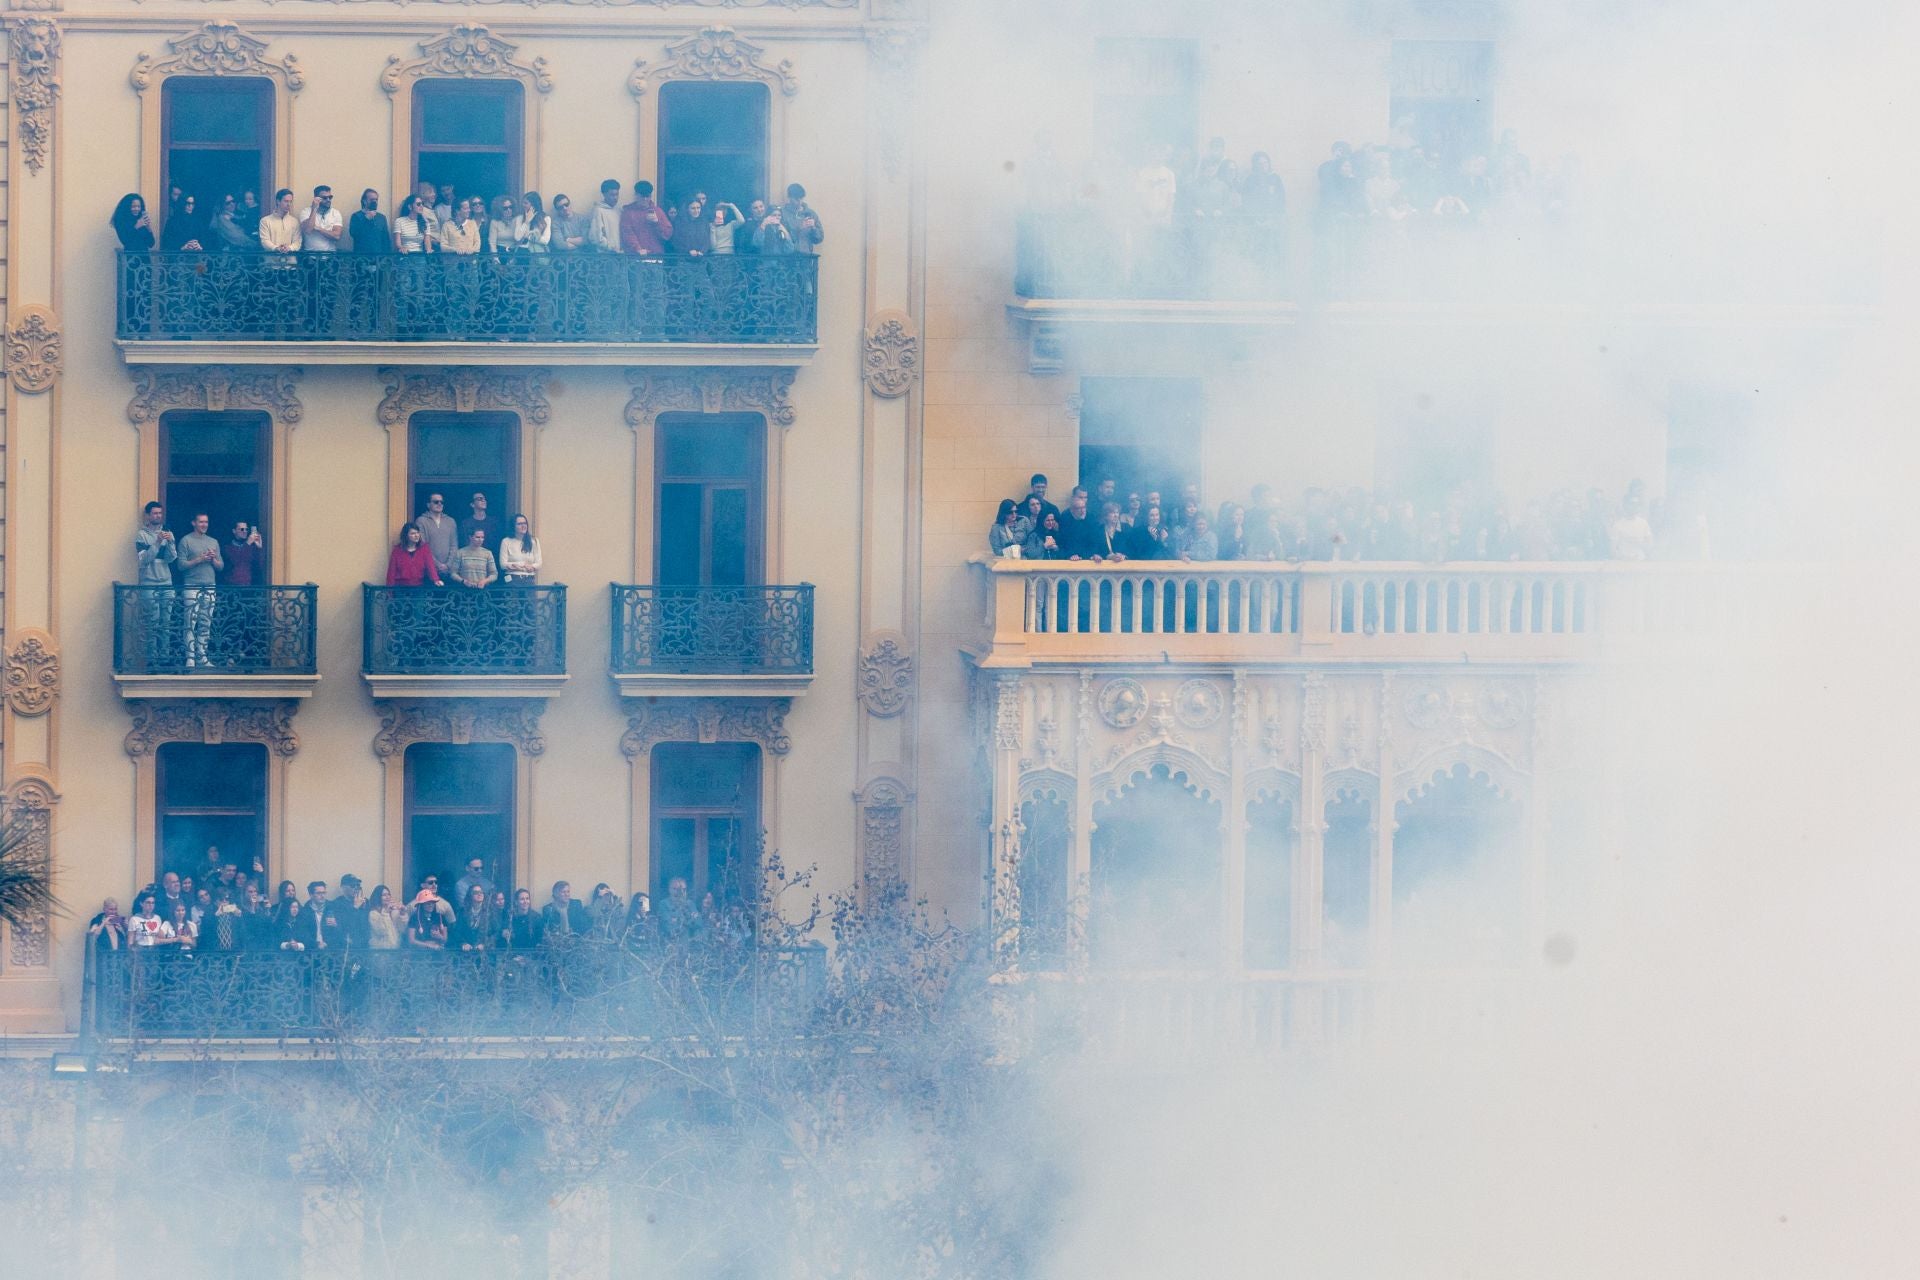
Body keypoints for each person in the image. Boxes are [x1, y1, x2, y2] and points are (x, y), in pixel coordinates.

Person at [177, 512, 223, 668]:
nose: (204, 524)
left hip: (210, 586)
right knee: (190, 622)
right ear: (193, 523)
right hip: (191, 586)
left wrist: (213, 559)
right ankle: (189, 657)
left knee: (206, 622)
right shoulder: (186, 540)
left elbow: (220, 567)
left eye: (206, 522)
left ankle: (202, 657)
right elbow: (181, 566)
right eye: (201, 522)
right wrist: (200, 560)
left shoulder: (214, 542)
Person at [621, 180, 673, 254]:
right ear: (636, 195)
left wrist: (657, 223)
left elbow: (668, 234)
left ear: (651, 195)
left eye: (647, 196)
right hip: (635, 257)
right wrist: (638, 249)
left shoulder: (658, 211)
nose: (645, 199)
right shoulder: (628, 212)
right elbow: (627, 233)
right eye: (642, 196)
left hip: (656, 256)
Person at [385, 521, 443, 587]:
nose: (416, 535)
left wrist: (436, 580)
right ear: (406, 535)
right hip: (401, 588)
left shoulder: (424, 548)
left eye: (418, 532)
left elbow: (430, 566)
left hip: (419, 587)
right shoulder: (397, 551)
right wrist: (389, 592)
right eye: (413, 533)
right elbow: (391, 572)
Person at [772, 183, 824, 254]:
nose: (799, 202)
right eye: (796, 199)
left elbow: (819, 239)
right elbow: (780, 238)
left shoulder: (811, 214)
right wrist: (799, 229)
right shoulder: (782, 214)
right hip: (787, 257)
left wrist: (814, 228)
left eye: (801, 198)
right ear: (789, 198)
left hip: (806, 257)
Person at [416, 492, 459, 574]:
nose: (439, 504)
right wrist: (437, 564)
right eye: (436, 502)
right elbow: (422, 545)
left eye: (441, 502)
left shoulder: (451, 521)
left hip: (449, 570)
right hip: (428, 569)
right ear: (428, 505)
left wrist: (448, 565)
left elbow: (454, 545)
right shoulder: (421, 521)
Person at [1057, 488, 1102, 560]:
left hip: (1089, 557)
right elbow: (1062, 541)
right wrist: (1070, 555)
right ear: (1073, 498)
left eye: (1085, 497)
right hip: (1070, 558)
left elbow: (1095, 539)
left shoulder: (1091, 517)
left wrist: (1092, 554)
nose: (1083, 500)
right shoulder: (1065, 516)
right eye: (1080, 497)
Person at [406, 877, 452, 948]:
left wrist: (439, 937)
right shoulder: (414, 918)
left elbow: (445, 940)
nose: (430, 905)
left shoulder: (440, 917)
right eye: (427, 903)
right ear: (421, 904)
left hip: (438, 953)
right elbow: (411, 940)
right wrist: (428, 945)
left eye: (432, 902)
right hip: (420, 954)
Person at [498, 514, 541, 584]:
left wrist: (532, 566)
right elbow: (503, 565)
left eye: (525, 523)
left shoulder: (534, 541)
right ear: (513, 526)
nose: (523, 526)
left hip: (529, 579)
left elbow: (539, 563)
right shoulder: (506, 541)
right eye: (519, 524)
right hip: (512, 579)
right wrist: (522, 564)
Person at [299, 185, 343, 253]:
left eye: (330, 197)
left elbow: (337, 236)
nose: (328, 200)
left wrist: (319, 229)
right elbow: (308, 230)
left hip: (330, 256)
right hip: (310, 256)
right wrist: (314, 209)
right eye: (324, 198)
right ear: (316, 198)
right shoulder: (306, 212)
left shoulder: (336, 213)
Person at [450, 885, 494, 951]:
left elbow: (495, 932)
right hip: (466, 954)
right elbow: (456, 931)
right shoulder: (462, 912)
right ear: (470, 896)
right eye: (476, 892)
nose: (479, 894)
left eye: (481, 892)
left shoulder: (490, 912)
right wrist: (463, 944)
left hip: (485, 954)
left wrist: (485, 944)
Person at [349, 189, 392, 254]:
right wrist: (366, 219)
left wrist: (387, 258)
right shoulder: (356, 216)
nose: (374, 202)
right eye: (372, 200)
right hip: (361, 258)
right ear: (364, 201)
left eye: (376, 199)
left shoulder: (381, 217)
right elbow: (354, 233)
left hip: (379, 258)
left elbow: (386, 239)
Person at [259, 189, 300, 255]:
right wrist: (276, 248)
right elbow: (265, 241)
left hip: (290, 263)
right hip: (271, 262)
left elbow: (297, 241)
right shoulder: (265, 221)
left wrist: (289, 248)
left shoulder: (294, 221)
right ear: (278, 201)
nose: (289, 204)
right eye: (286, 201)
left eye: (290, 201)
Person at [588, 179, 623, 252]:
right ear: (604, 194)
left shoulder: (619, 210)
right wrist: (611, 248)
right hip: (605, 257)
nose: (615, 198)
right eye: (612, 195)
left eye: (617, 194)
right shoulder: (598, 211)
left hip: (619, 255)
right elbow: (595, 237)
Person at [365, 885, 404, 950]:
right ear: (378, 897)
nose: (387, 897)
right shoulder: (373, 913)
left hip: (394, 951)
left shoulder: (393, 911)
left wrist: (402, 913)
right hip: (379, 952)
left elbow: (402, 929)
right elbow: (381, 931)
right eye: (384, 895)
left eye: (388, 894)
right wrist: (385, 913)